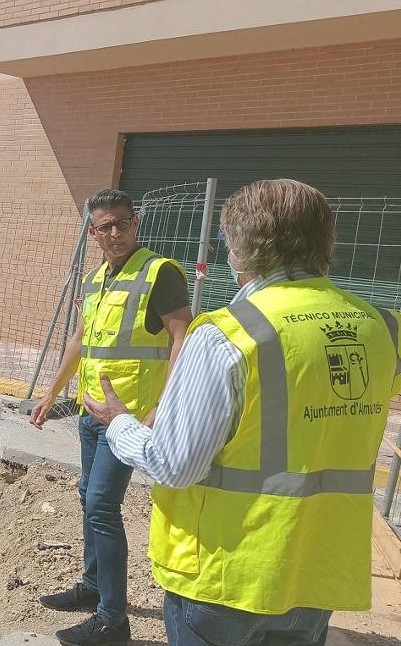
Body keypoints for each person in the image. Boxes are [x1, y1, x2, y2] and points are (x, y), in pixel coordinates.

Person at [83, 179, 401, 646]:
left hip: (226, 577)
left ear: (238, 253)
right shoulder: (382, 327)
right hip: (318, 569)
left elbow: (174, 465)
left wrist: (121, 423)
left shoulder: (228, 335)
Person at [30, 188, 192, 646]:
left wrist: (166, 404)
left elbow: (182, 336)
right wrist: (51, 394)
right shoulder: (96, 278)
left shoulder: (159, 274)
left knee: (101, 503)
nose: (115, 232)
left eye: (122, 222)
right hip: (91, 411)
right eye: (105, 226)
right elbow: (80, 342)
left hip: (129, 418)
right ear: (94, 233)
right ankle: (93, 584)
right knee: (87, 494)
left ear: (135, 223)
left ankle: (112, 620)